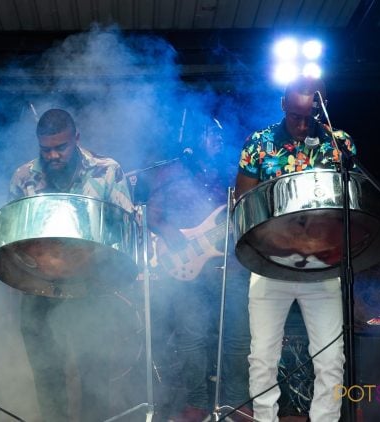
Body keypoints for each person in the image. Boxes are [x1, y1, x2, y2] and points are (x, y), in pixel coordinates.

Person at [235, 76, 355, 422]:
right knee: (262, 358)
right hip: (271, 263)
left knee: (331, 358)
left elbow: (347, 206)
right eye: (294, 117)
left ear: (322, 108)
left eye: (309, 117)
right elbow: (244, 203)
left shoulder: (339, 144)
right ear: (282, 106)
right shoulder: (260, 144)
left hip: (322, 264)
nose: (302, 125)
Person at [10, 108, 135, 421]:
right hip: (41, 283)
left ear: (76, 139)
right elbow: (14, 238)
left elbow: (124, 227)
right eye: (46, 149)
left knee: (93, 368)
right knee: (45, 368)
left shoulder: (107, 171)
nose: (53, 155)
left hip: (92, 282)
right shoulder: (24, 176)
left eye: (60, 147)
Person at [137, 114, 251, 422]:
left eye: (219, 137)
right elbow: (152, 214)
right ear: (193, 143)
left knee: (238, 338)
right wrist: (172, 234)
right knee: (191, 338)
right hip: (187, 265)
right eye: (209, 136)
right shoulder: (172, 173)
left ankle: (237, 402)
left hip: (231, 265)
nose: (216, 141)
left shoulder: (234, 173)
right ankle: (196, 403)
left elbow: (245, 214)